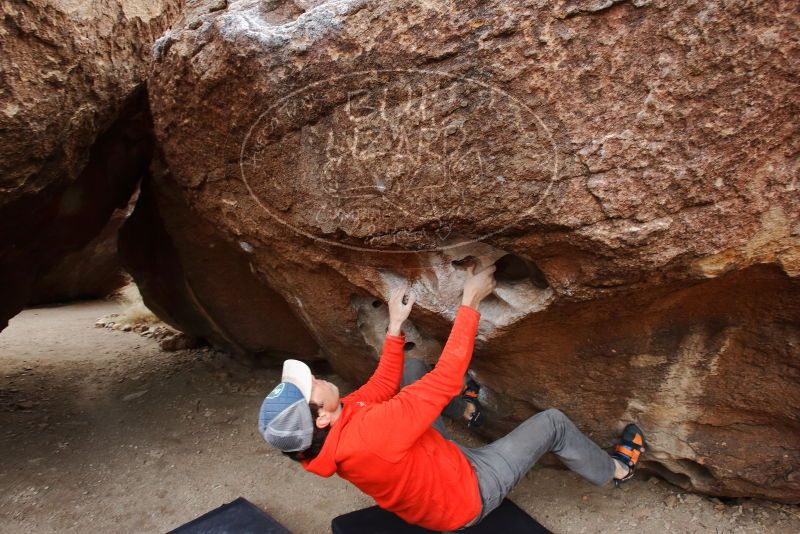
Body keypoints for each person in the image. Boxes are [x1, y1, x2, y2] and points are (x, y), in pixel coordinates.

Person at [258, 263, 646, 531]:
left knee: (410, 372)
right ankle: (616, 471)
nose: (317, 379)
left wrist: (394, 325)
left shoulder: (335, 427)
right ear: (320, 418)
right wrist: (470, 302)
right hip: (469, 492)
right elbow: (445, 377)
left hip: (435, 464)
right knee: (553, 423)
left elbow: (377, 389)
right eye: (311, 386)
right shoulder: (370, 436)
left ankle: (466, 407)